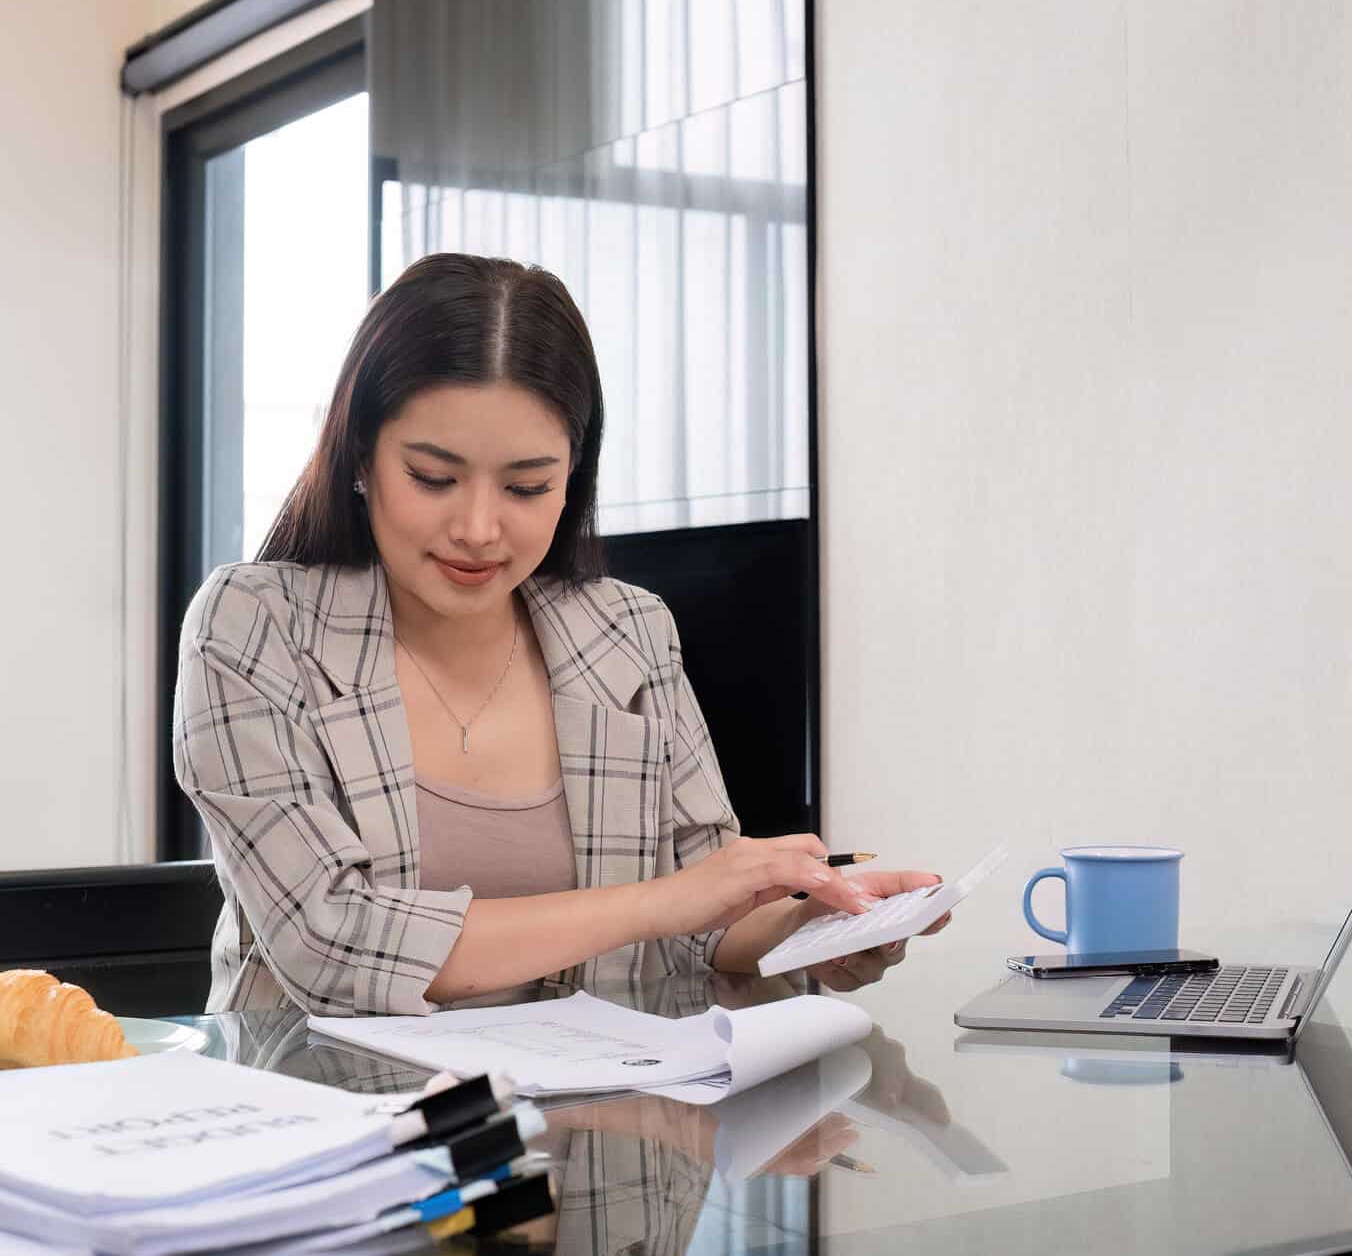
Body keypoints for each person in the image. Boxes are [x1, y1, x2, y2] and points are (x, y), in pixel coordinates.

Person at [173, 253, 949, 1015]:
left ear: (573, 476)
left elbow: (706, 920)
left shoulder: (629, 632)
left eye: (527, 486)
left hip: (592, 1125)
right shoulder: (251, 627)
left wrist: (814, 924)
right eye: (433, 477)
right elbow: (331, 940)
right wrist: (660, 903)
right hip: (334, 1121)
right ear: (360, 457)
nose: (478, 528)